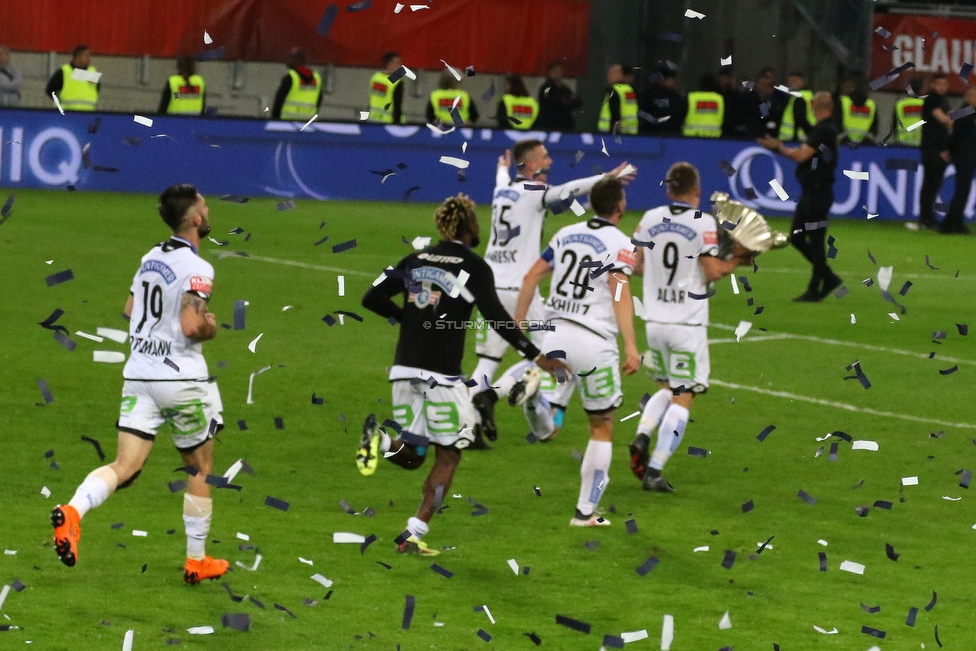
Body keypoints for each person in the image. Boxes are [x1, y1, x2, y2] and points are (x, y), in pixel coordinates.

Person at [357, 194, 569, 555]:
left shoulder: (415, 258)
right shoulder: (473, 265)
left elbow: (370, 297)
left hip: (403, 368)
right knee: (450, 454)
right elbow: (498, 319)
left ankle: (379, 440)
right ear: (470, 227)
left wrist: (404, 319)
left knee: (413, 453)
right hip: (442, 375)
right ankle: (412, 536)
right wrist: (536, 354)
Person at [51, 184, 228, 585]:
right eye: (205, 202)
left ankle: (73, 512)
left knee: (125, 466)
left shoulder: (151, 256)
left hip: (139, 376)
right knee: (200, 469)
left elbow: (131, 310)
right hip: (180, 379)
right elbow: (190, 326)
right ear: (197, 219)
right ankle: (196, 560)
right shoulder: (199, 268)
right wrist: (210, 325)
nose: (208, 205)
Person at [468, 140, 636, 445]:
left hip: (490, 285)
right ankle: (495, 397)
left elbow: (504, 177)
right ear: (531, 165)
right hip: (520, 287)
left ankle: (468, 425)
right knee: (551, 355)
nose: (549, 160)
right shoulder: (534, 192)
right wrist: (606, 178)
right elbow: (569, 190)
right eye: (544, 157)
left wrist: (503, 169)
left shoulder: (502, 189)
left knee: (488, 359)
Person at [513, 177, 641, 526]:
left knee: (550, 429)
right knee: (601, 426)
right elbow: (619, 291)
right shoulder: (620, 242)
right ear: (619, 207)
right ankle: (585, 512)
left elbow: (530, 277)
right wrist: (631, 345)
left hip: (553, 335)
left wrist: (519, 324)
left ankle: (537, 402)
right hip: (593, 341)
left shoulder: (565, 233)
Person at [628, 162, 754, 491]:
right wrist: (737, 261)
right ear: (696, 192)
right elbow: (712, 272)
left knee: (666, 388)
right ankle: (654, 470)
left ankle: (642, 436)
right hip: (686, 325)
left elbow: (636, 266)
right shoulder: (703, 222)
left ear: (669, 189)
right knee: (684, 395)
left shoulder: (649, 218)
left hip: (654, 323)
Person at [759, 91, 842, 301]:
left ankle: (816, 287)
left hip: (817, 193)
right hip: (812, 193)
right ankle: (828, 277)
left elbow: (801, 155)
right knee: (798, 238)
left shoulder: (824, 130)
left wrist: (779, 147)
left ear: (815, 106)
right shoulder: (825, 129)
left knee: (814, 241)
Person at [918, 73, 954, 230]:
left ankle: (929, 217)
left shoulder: (944, 101)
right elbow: (944, 119)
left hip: (941, 148)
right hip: (931, 148)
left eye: (944, 84)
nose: (942, 87)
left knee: (934, 185)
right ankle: (925, 218)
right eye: (939, 84)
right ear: (933, 85)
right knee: (929, 184)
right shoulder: (931, 100)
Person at [940, 86, 976, 235]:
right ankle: (954, 224)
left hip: (965, 155)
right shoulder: (965, 113)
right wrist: (951, 150)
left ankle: (950, 223)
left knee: (962, 191)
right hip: (965, 156)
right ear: (968, 97)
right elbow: (956, 136)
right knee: (962, 191)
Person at [271, 48, 322, 121]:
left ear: (297, 60)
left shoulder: (291, 77)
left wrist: (274, 119)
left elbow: (279, 100)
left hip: (288, 122)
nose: (287, 61)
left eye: (289, 58)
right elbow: (319, 100)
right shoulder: (317, 78)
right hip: (308, 122)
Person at [45, 45, 99, 111]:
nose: (89, 59)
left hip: (88, 114)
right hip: (68, 113)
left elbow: (96, 89)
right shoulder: (64, 72)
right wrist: (60, 101)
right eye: (86, 56)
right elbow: (50, 90)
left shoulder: (93, 72)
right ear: (77, 57)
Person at [535, 61, 583, 132]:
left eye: (560, 70)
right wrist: (565, 102)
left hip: (566, 124)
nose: (558, 73)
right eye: (555, 70)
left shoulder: (565, 89)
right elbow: (552, 103)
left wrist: (566, 102)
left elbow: (577, 101)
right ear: (550, 72)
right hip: (550, 124)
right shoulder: (546, 88)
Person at [598, 64, 637, 134]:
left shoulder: (613, 91)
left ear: (620, 75)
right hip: (630, 133)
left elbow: (616, 113)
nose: (609, 76)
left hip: (612, 133)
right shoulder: (629, 90)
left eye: (612, 73)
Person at [683, 74, 724, 138]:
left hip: (691, 138)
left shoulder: (691, 97)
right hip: (714, 139)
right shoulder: (719, 99)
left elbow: (681, 115)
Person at [368, 51, 404, 124]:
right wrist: (397, 123)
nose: (400, 66)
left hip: (372, 117)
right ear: (389, 64)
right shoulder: (396, 81)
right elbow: (397, 105)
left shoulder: (376, 77)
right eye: (397, 63)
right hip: (388, 120)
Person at [838, 77, 877, 144]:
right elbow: (874, 126)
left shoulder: (842, 102)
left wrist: (843, 138)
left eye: (845, 86)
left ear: (853, 87)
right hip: (865, 145)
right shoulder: (871, 104)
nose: (842, 89)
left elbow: (837, 121)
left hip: (844, 144)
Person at [778, 71, 815, 142]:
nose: (790, 84)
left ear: (801, 82)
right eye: (789, 81)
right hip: (804, 138)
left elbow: (800, 119)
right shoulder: (809, 96)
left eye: (794, 81)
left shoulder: (799, 97)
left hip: (795, 139)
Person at [893, 78, 924, 147]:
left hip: (903, 142)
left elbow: (894, 124)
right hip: (921, 143)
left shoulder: (900, 104)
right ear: (921, 89)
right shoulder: (926, 104)